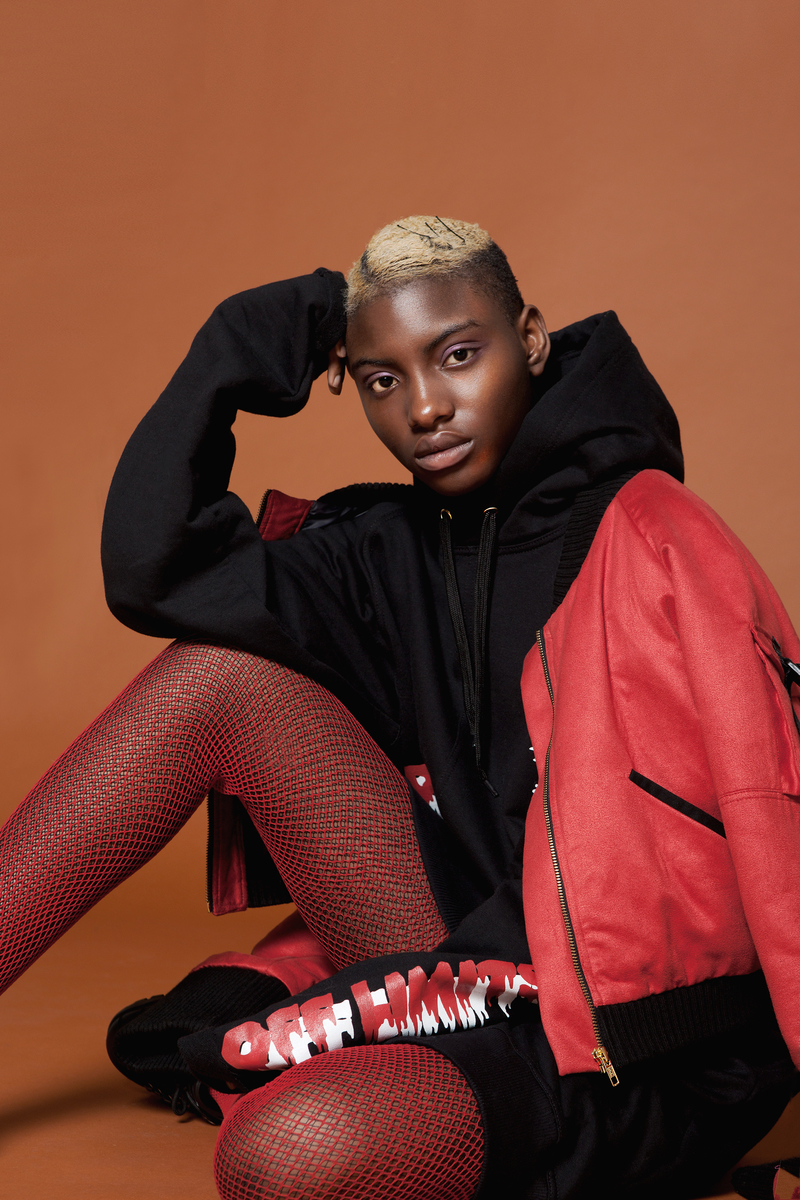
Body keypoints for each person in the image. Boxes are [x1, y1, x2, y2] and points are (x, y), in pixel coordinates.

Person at [1, 215, 799, 1200]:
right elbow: (153, 571)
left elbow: (774, 809)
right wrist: (234, 351)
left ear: (530, 340)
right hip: (465, 958)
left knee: (283, 1154)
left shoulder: (652, 531)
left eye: (458, 356)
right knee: (220, 674)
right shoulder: (387, 547)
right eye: (383, 379)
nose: (425, 407)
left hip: (631, 1037)